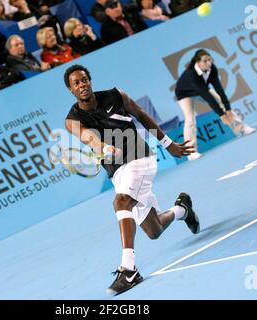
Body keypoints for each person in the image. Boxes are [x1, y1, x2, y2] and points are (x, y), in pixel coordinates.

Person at [63, 64, 200, 295]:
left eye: (84, 79)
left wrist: (168, 144)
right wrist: (103, 146)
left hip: (140, 158)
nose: (82, 85)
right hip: (117, 171)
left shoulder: (116, 96)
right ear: (71, 89)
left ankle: (129, 270)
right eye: (76, 83)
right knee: (153, 229)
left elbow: (142, 115)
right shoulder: (73, 119)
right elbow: (87, 137)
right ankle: (183, 210)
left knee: (121, 202)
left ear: (90, 80)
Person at [175, 49, 256, 160]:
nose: (209, 63)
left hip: (202, 89)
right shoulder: (191, 74)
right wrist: (221, 115)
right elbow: (206, 96)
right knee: (190, 119)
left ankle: (242, 129)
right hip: (184, 94)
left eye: (210, 60)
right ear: (197, 62)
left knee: (220, 100)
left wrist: (227, 109)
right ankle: (191, 153)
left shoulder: (212, 69)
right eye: (205, 61)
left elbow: (219, 89)